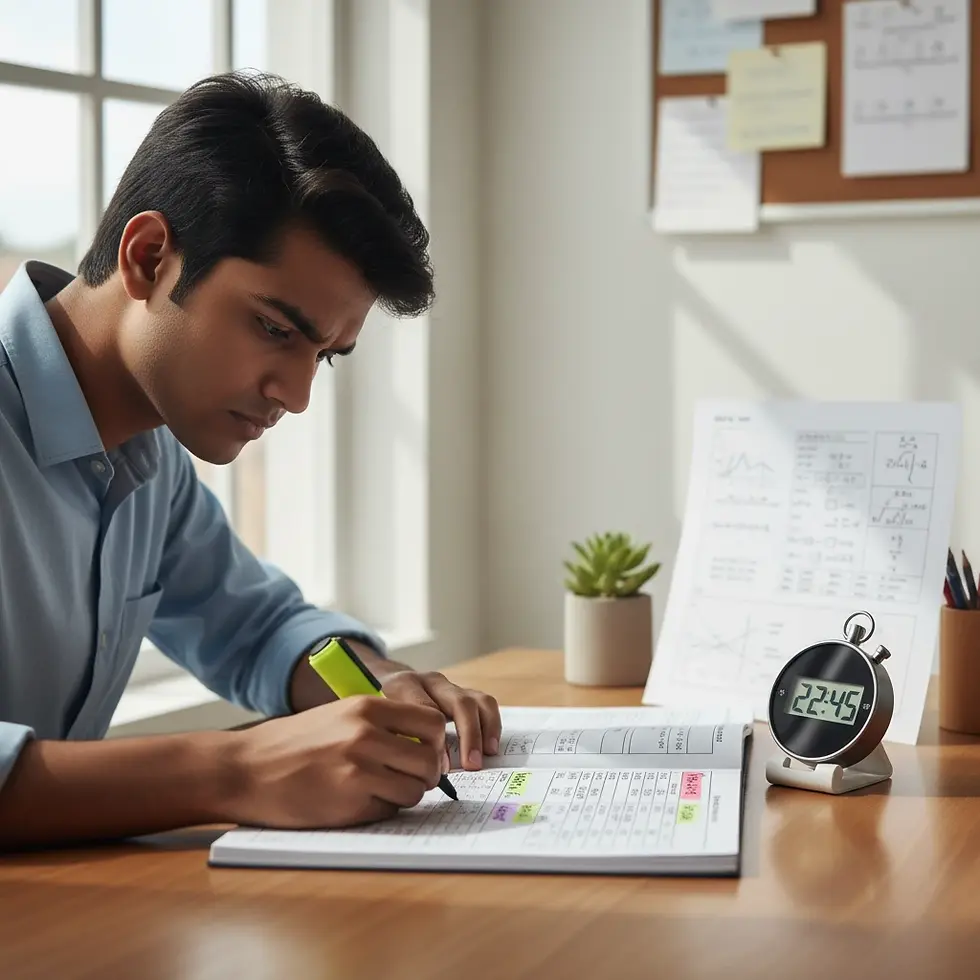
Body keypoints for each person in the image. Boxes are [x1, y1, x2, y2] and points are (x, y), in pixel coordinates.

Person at [0, 71, 501, 849]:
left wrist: (377, 683)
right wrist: (233, 769)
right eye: (274, 328)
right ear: (149, 257)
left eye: (323, 355)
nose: (296, 396)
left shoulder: (148, 458)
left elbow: (256, 627)